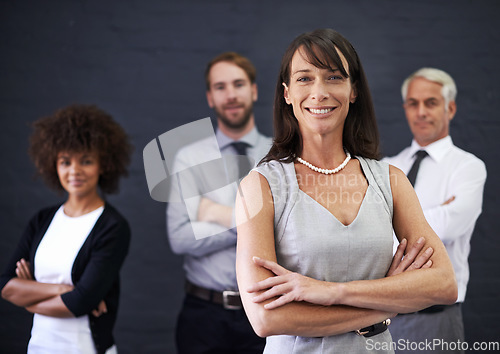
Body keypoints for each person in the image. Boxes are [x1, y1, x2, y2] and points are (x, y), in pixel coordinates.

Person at [235, 28, 458, 353]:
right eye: (304, 79)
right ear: (286, 94)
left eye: (334, 77)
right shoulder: (260, 186)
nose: (319, 91)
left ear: (353, 90)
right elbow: (266, 317)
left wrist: (331, 292)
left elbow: (444, 284)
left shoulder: (391, 180)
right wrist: (386, 302)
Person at [0, 104, 133, 354]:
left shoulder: (113, 227)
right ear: (54, 165)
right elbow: (7, 287)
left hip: (86, 348)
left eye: (86, 160)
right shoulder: (42, 220)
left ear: (103, 165)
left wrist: (29, 298)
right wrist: (63, 290)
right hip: (39, 346)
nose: (75, 171)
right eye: (65, 161)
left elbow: (79, 303)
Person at [166, 52, 271, 353]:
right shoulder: (189, 159)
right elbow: (179, 237)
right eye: (221, 87)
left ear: (253, 90)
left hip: (266, 311)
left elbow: (287, 231)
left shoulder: (279, 156)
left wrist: (214, 214)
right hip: (203, 316)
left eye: (238, 84)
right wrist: (248, 223)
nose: (231, 95)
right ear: (210, 97)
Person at [383, 68, 487, 353]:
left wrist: (391, 224)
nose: (421, 112)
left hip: (436, 320)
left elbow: (448, 227)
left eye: (431, 103)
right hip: (383, 320)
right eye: (413, 103)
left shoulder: (468, 168)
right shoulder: (387, 167)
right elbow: (372, 232)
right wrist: (436, 211)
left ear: (449, 108)